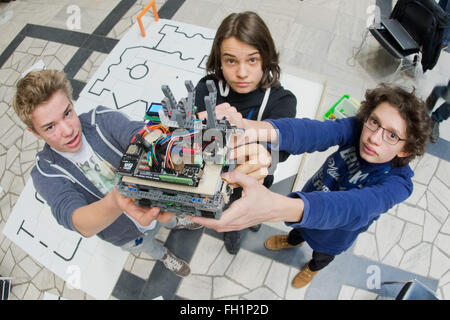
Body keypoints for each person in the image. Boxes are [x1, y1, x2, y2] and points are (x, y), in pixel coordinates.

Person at [190, 83, 432, 288]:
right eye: (374, 122)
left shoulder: (399, 183)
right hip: (304, 207)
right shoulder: (357, 129)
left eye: (392, 135)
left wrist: (274, 207)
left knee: (321, 255)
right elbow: (314, 132)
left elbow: (354, 208)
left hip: (333, 236)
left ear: (406, 149)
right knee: (297, 233)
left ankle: (312, 268)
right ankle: (293, 240)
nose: (373, 137)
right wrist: (250, 127)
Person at [12, 69, 204, 278]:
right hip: (124, 235)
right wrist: (116, 200)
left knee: (167, 217)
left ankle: (176, 222)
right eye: (50, 127)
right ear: (34, 132)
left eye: (67, 113)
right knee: (147, 246)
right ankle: (164, 256)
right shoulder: (45, 172)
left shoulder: (100, 120)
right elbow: (78, 221)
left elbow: (137, 133)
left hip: (154, 202)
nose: (67, 130)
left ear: (71, 102)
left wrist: (163, 142)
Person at [194, 11, 297, 255]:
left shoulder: (281, 100)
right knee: (219, 209)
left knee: (244, 214)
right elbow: (195, 141)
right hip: (213, 176)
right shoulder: (206, 88)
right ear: (219, 60)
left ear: (266, 58)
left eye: (252, 60)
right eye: (231, 61)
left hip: (254, 181)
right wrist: (198, 125)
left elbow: (278, 154)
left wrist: (237, 130)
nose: (241, 73)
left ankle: (240, 229)